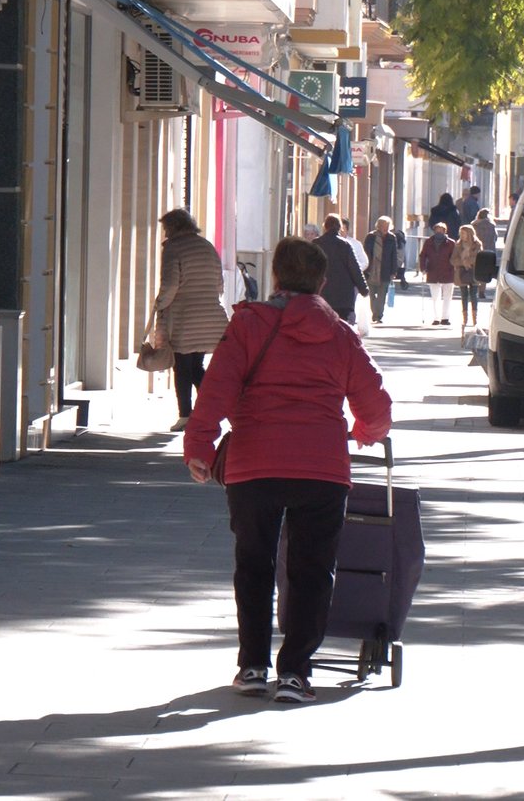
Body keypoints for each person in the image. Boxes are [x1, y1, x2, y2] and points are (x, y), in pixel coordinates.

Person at [183, 236, 393, 704]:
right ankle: (296, 672)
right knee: (312, 571)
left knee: (253, 565)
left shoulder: (248, 326)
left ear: (275, 277)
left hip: (254, 464)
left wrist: (200, 444)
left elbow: (216, 388)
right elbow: (376, 406)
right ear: (321, 281)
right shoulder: (340, 334)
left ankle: (253, 666)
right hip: (321, 468)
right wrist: (361, 432)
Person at [153, 208, 230, 432]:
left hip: (185, 317)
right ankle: (215, 407)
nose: (165, 232)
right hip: (210, 316)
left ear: (173, 226)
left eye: (166, 227)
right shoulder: (206, 246)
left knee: (182, 367)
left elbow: (170, 285)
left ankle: (186, 415)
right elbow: (219, 284)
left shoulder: (173, 249)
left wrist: (159, 304)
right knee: (197, 366)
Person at [313, 213, 369, 324]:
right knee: (341, 325)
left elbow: (308, 267)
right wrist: (364, 289)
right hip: (343, 296)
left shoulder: (316, 244)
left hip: (322, 292)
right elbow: (355, 269)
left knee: (322, 323)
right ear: (339, 227)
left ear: (325, 226)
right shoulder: (345, 245)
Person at [362, 216, 401, 325]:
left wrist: (394, 271)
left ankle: (378, 315)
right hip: (371, 270)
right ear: (378, 226)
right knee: (372, 294)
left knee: (382, 294)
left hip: (385, 270)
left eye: (387, 226)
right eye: (383, 226)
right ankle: (375, 312)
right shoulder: (370, 237)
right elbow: (365, 253)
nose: (385, 228)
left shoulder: (391, 238)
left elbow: (394, 255)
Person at [419, 222, 457, 325]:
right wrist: (423, 268)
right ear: (434, 231)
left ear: (445, 231)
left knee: (447, 297)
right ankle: (436, 318)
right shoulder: (429, 242)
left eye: (441, 230)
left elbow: (455, 257)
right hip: (433, 272)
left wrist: (454, 267)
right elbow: (423, 256)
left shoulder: (451, 243)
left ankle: (445, 318)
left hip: (448, 272)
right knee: (435, 297)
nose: (439, 232)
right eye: (437, 230)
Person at [452, 223, 483, 328]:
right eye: (461, 233)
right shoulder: (458, 245)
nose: (462, 235)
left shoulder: (477, 244)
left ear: (469, 234)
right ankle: (465, 319)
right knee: (464, 295)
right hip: (461, 273)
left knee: (474, 295)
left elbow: (479, 257)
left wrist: (468, 261)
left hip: (474, 272)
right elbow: (453, 260)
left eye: (464, 233)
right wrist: (462, 263)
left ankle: (475, 319)